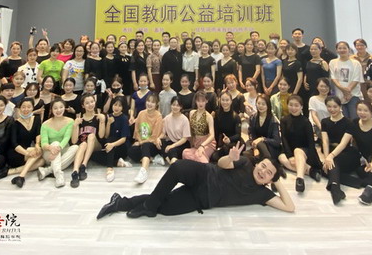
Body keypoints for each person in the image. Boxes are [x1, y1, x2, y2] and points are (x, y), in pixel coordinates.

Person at [97, 142, 293, 219]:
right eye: (263, 166)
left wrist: (277, 180)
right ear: (258, 163)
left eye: (268, 173)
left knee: (165, 207)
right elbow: (222, 164)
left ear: (270, 180)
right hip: (204, 174)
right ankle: (148, 207)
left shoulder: (263, 194)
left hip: (202, 199)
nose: (263, 171)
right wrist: (231, 158)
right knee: (177, 168)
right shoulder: (246, 163)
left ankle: (120, 203)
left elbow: (289, 207)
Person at [323, 100, 372, 205]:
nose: (362, 113)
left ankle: (371, 191)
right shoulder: (354, 122)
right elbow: (343, 143)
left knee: (366, 168)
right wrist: (330, 156)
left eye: (365, 110)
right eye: (359, 110)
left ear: (371, 112)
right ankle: (335, 188)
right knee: (330, 165)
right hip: (360, 157)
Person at [278, 95, 322, 193]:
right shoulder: (284, 120)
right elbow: (284, 139)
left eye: (296, 105)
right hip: (290, 151)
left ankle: (300, 179)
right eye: (291, 105)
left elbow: (311, 143)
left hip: (305, 151)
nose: (293, 108)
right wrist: (289, 156)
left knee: (297, 151)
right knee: (281, 158)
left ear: (301, 107)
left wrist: (311, 158)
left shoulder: (306, 122)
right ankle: (310, 171)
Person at [4, 98, 44, 187]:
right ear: (20, 108)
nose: (26, 109)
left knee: (42, 161)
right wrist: (27, 153)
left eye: (29, 107)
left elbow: (38, 133)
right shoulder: (14, 123)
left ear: (33, 108)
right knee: (39, 152)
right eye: (23, 107)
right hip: (16, 152)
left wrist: (37, 144)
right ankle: (22, 176)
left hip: (28, 150)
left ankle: (10, 172)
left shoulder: (36, 119)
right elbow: (14, 144)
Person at [38, 99, 77, 188]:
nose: (58, 110)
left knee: (76, 147)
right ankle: (59, 176)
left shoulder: (70, 121)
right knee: (55, 143)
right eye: (55, 108)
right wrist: (51, 148)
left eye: (61, 107)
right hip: (49, 153)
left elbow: (67, 137)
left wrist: (58, 148)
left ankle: (48, 170)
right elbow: (43, 143)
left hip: (62, 150)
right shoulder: (45, 124)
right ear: (51, 110)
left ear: (64, 108)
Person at [70, 94, 106, 188]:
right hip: (84, 145)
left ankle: (84, 165)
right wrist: (75, 125)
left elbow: (101, 136)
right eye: (87, 103)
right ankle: (75, 172)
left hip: (96, 144)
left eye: (92, 102)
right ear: (83, 106)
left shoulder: (99, 117)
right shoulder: (79, 119)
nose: (90, 104)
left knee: (91, 136)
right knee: (83, 144)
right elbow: (74, 141)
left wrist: (102, 122)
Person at [320, 95, 351, 201]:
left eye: (335, 107)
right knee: (327, 166)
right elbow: (325, 141)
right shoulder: (324, 121)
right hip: (330, 150)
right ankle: (335, 189)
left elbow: (343, 144)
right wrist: (326, 158)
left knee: (333, 163)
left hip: (346, 152)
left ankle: (334, 187)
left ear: (340, 107)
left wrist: (330, 157)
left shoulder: (348, 122)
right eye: (329, 106)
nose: (332, 109)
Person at [129, 93, 164, 184]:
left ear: (156, 104)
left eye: (152, 102)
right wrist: (139, 141)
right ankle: (152, 159)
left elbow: (154, 137)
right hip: (142, 142)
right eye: (148, 101)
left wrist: (141, 143)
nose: (149, 104)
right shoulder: (141, 113)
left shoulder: (158, 116)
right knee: (131, 151)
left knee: (146, 146)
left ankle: (143, 171)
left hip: (153, 144)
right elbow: (137, 131)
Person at [94, 96, 131, 182]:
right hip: (110, 147)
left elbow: (123, 139)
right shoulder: (109, 116)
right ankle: (117, 162)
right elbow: (106, 136)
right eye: (115, 105)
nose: (116, 107)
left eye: (119, 106)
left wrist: (112, 145)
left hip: (121, 147)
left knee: (111, 141)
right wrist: (108, 123)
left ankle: (110, 168)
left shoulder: (124, 118)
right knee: (94, 155)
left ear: (123, 107)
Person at [329, 41, 364, 119]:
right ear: (336, 50)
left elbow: (356, 79)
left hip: (353, 95)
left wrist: (348, 92)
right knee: (344, 120)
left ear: (348, 49)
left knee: (355, 119)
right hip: (339, 96)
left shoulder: (356, 63)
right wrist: (344, 91)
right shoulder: (332, 62)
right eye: (340, 48)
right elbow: (333, 78)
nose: (342, 50)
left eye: (344, 48)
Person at [182, 92, 216, 163]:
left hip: (207, 143)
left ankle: (206, 168)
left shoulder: (209, 116)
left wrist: (202, 145)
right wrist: (191, 142)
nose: (201, 103)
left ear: (206, 101)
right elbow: (191, 130)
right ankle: (197, 165)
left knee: (199, 155)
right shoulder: (192, 113)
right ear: (195, 101)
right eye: (198, 101)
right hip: (196, 142)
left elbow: (212, 135)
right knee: (185, 153)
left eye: (203, 101)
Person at [247, 94, 281, 160]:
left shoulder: (273, 121)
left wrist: (262, 139)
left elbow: (277, 141)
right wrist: (255, 148)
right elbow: (251, 134)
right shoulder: (253, 118)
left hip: (270, 148)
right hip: (256, 147)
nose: (260, 106)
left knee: (260, 145)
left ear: (268, 106)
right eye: (258, 103)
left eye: (263, 104)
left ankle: (266, 161)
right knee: (245, 155)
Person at [211, 90, 242, 163]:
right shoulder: (217, 114)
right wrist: (216, 146)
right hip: (222, 141)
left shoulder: (236, 117)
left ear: (231, 101)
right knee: (214, 157)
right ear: (220, 101)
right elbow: (216, 132)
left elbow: (238, 135)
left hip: (233, 142)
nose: (225, 102)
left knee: (226, 149)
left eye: (227, 100)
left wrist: (229, 139)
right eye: (223, 100)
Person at [161, 97, 191, 164]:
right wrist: (158, 138)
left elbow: (185, 139)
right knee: (160, 142)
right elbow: (163, 134)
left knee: (172, 150)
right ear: (171, 105)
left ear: (181, 107)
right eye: (173, 105)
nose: (175, 107)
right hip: (171, 141)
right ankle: (168, 159)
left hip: (182, 143)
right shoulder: (167, 118)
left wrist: (173, 145)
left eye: (177, 105)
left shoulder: (184, 119)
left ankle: (172, 163)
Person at [302, 42, 329, 113]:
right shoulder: (308, 62)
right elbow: (306, 73)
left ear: (320, 50)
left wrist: (323, 88)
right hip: (309, 88)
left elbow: (327, 78)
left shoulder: (323, 63)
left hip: (319, 88)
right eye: (311, 49)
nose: (313, 51)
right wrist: (304, 82)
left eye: (315, 49)